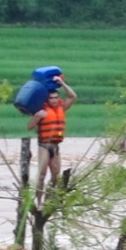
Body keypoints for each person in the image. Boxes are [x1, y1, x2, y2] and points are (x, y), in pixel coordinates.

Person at [27, 75, 77, 208]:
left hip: (56, 146)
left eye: (56, 98)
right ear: (46, 99)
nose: (54, 100)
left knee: (55, 176)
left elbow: (73, 97)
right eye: (51, 98)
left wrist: (63, 83)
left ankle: (47, 201)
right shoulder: (41, 111)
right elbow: (30, 127)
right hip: (44, 146)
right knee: (42, 175)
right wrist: (37, 117)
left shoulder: (61, 108)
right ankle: (38, 202)